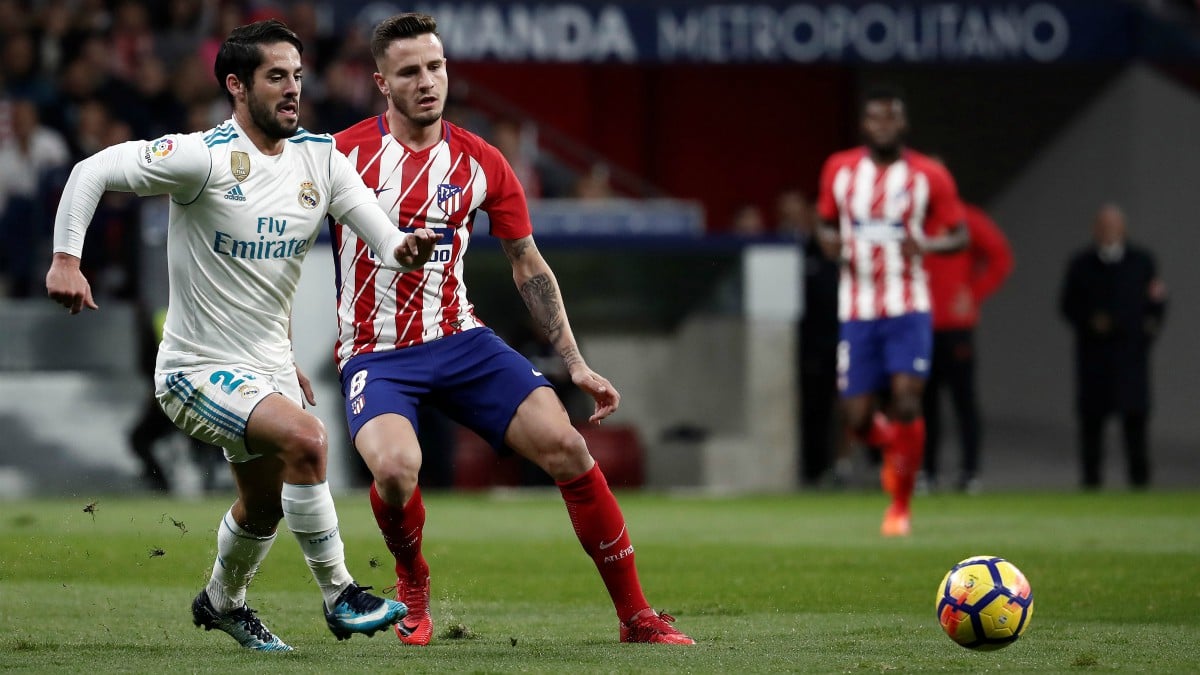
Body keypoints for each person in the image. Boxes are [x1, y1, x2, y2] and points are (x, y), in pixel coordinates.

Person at [45, 19, 437, 652]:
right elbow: (92, 170)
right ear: (236, 85)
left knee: (263, 507)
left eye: (298, 78)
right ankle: (341, 594)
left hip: (269, 367)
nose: (292, 90)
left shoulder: (320, 158)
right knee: (309, 441)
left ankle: (223, 602)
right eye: (276, 77)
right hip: (196, 369)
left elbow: (382, 236)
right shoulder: (201, 157)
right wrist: (67, 259)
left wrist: (407, 247)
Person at [329, 13, 694, 646]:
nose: (427, 82)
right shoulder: (339, 155)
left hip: (462, 341)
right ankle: (411, 580)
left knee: (569, 447)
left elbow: (529, 265)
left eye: (435, 67)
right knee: (393, 469)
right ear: (381, 82)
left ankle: (636, 616)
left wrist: (575, 362)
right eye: (409, 71)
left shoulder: (482, 162)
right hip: (377, 353)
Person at [816, 86, 968, 536]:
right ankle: (891, 452)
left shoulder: (928, 175)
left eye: (891, 118)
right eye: (875, 119)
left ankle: (900, 504)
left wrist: (929, 243)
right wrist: (831, 245)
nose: (883, 126)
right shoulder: (840, 169)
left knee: (906, 398)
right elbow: (825, 224)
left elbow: (958, 234)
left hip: (909, 305)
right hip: (858, 308)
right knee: (857, 417)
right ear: (866, 125)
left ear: (903, 124)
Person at [1059, 204, 1166, 489]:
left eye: (1113, 226)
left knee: (1134, 419)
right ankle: (1091, 481)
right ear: (1095, 229)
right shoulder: (1081, 263)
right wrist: (1090, 321)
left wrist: (1146, 332)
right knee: (1092, 421)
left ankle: (1139, 481)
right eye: (1103, 226)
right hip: (1093, 355)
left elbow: (1156, 303)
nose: (1108, 232)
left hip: (1130, 355)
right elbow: (1067, 305)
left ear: (1123, 229)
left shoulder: (1142, 261)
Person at [921, 201, 1013, 493]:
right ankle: (927, 472)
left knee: (964, 402)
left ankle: (970, 471)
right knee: (923, 404)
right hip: (918, 327)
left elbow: (1000, 258)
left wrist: (972, 294)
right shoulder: (909, 219)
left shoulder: (966, 220)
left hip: (955, 328)